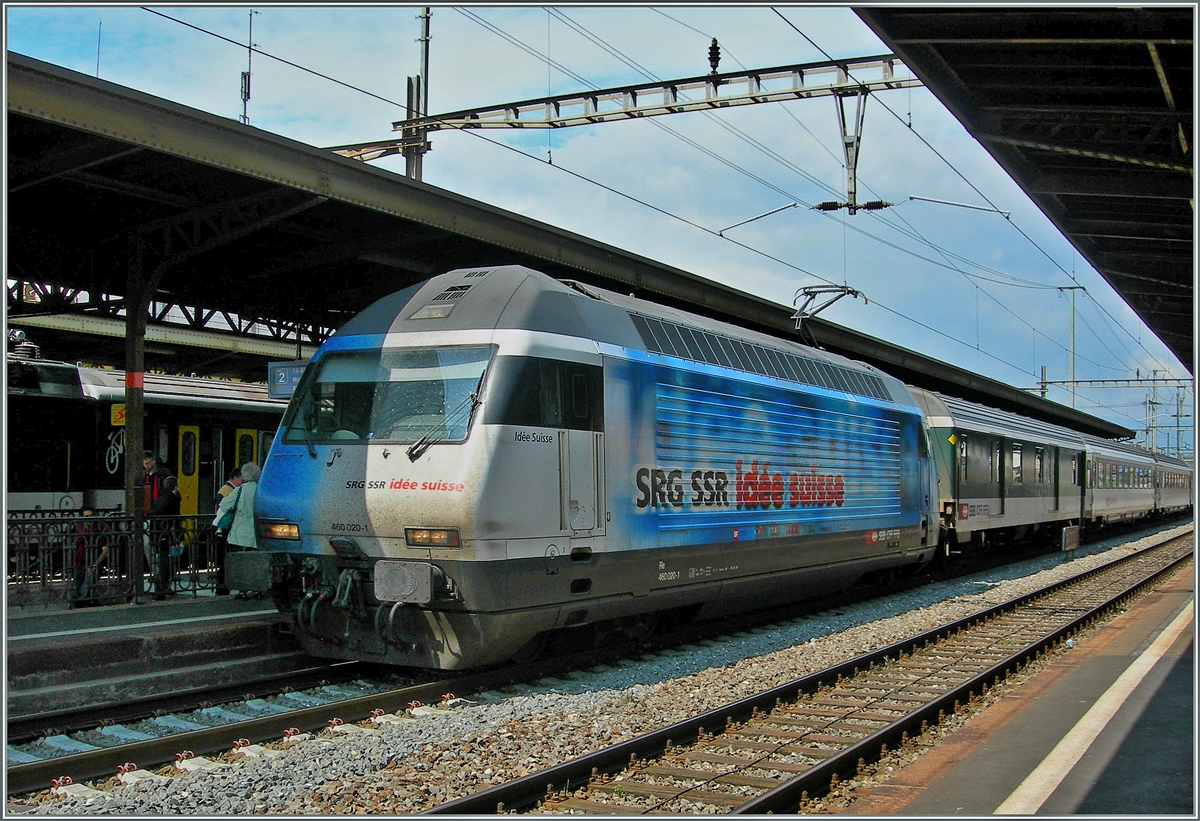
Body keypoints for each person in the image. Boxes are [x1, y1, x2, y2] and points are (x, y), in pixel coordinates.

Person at [213, 461, 260, 600]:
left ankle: (243, 590)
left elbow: (224, 504)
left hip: (240, 534)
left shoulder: (240, 490)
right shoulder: (260, 490)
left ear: (244, 475)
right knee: (255, 562)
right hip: (256, 534)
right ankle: (257, 588)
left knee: (241, 563)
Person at [151, 474, 182, 600]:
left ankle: (161, 587)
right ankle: (163, 588)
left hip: (157, 533)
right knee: (167, 563)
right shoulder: (173, 499)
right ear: (175, 486)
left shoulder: (159, 499)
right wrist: (176, 539)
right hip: (168, 533)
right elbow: (174, 520)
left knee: (161, 560)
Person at [212, 468, 242, 595]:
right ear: (235, 478)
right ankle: (222, 586)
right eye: (241, 479)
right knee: (224, 558)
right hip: (225, 530)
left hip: (223, 529)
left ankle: (222, 585)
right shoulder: (228, 490)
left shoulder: (225, 489)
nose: (242, 482)